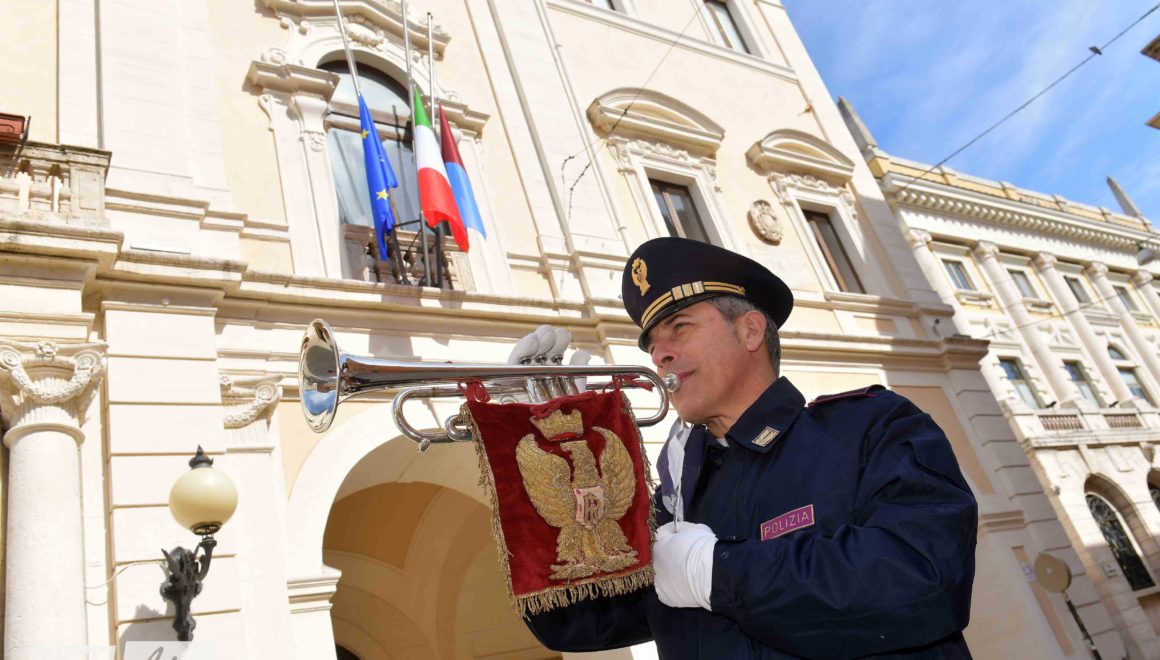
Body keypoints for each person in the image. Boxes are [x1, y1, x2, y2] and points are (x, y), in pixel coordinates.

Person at [525, 237, 977, 659]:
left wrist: (717, 572)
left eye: (679, 327)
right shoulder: (675, 494)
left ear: (750, 331)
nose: (659, 355)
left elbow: (924, 575)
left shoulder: (870, 427)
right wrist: (537, 449)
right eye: (652, 345)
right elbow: (578, 620)